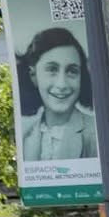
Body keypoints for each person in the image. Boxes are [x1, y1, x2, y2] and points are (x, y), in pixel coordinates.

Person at [15, 27, 96, 163]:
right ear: (33, 75)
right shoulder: (25, 135)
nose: (62, 84)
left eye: (72, 71)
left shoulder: (95, 135)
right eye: (52, 69)